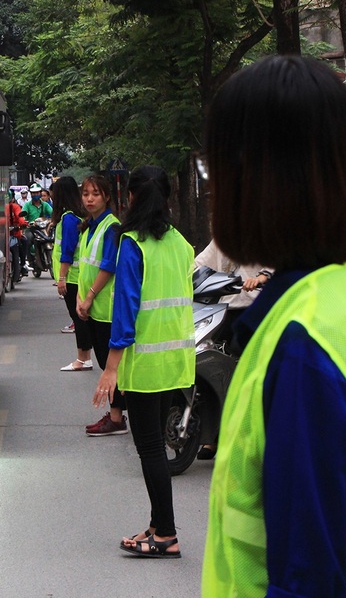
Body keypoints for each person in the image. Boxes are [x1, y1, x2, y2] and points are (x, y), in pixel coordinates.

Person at [201, 55, 346, 596]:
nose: (213, 190)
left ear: (258, 179)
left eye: (218, 171)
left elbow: (307, 577)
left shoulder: (303, 340)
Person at [94, 166, 194, 558]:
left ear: (131, 197)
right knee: (156, 448)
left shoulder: (132, 244)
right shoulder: (182, 243)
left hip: (144, 365)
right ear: (167, 198)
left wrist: (111, 367)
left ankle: (166, 534)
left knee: (150, 450)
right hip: (177, 363)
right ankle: (157, 525)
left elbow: (126, 309)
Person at [192, 239, 272, 460]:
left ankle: (251, 436)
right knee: (210, 369)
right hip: (224, 308)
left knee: (250, 376)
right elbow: (200, 263)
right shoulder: (223, 237)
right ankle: (213, 437)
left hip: (253, 309)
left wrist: (261, 278)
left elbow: (276, 263)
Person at [76, 174, 126, 436]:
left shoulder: (111, 227)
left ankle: (117, 418)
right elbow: (85, 264)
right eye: (86, 194)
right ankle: (117, 414)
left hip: (106, 308)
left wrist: (89, 296)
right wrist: (79, 298)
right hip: (92, 306)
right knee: (104, 360)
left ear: (107, 196)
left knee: (111, 365)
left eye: (95, 193)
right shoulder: (89, 226)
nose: (90, 199)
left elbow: (108, 265)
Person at [50, 176, 93, 372]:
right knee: (80, 318)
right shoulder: (75, 216)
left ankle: (83, 358)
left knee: (78, 319)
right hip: (76, 276)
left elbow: (66, 251)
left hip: (72, 277)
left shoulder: (68, 219)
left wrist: (61, 278)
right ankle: (84, 357)